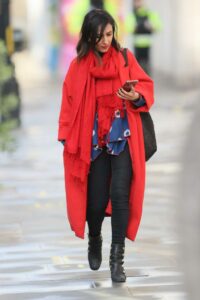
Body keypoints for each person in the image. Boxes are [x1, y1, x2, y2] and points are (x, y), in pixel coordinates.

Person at [58, 9, 154, 283]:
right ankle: (95, 236)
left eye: (109, 35)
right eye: (99, 36)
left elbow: (146, 87)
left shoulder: (125, 59)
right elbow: (68, 102)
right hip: (92, 143)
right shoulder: (78, 66)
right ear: (89, 36)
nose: (104, 41)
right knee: (96, 202)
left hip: (122, 138)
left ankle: (117, 260)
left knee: (121, 195)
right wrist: (66, 135)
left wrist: (135, 95)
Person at [125, 0, 162, 74]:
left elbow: (158, 26)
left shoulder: (150, 14)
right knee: (137, 67)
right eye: (136, 2)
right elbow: (127, 28)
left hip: (147, 44)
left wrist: (150, 26)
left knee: (147, 67)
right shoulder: (132, 15)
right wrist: (134, 27)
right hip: (137, 44)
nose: (138, 3)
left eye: (139, 1)